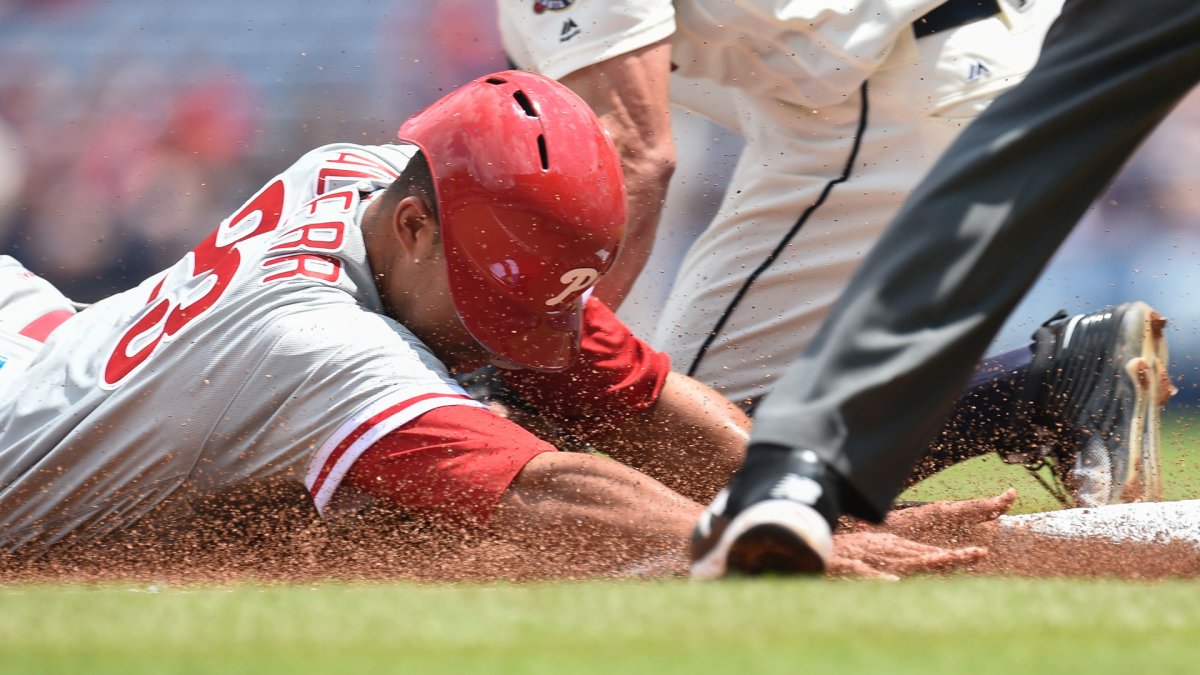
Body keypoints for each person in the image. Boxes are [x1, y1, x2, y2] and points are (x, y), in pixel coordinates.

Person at [0, 70, 997, 578]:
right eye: (489, 306)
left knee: (363, 525)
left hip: (40, 340)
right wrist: (765, 540)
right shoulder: (314, 344)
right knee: (415, 525)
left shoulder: (374, 182)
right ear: (414, 228)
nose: (504, 338)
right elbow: (547, 491)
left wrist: (814, 509)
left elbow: (631, 395)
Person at [689, 0, 1199, 578]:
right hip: (890, 74)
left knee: (688, 448)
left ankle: (805, 474)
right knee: (696, 434)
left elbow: (636, 149)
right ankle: (1043, 379)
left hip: (896, 83)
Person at [498, 0, 1064, 408]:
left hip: (900, 94)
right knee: (713, 420)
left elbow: (637, 157)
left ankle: (1043, 385)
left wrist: (537, 363)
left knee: (696, 437)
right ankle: (1041, 388)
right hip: (973, 56)